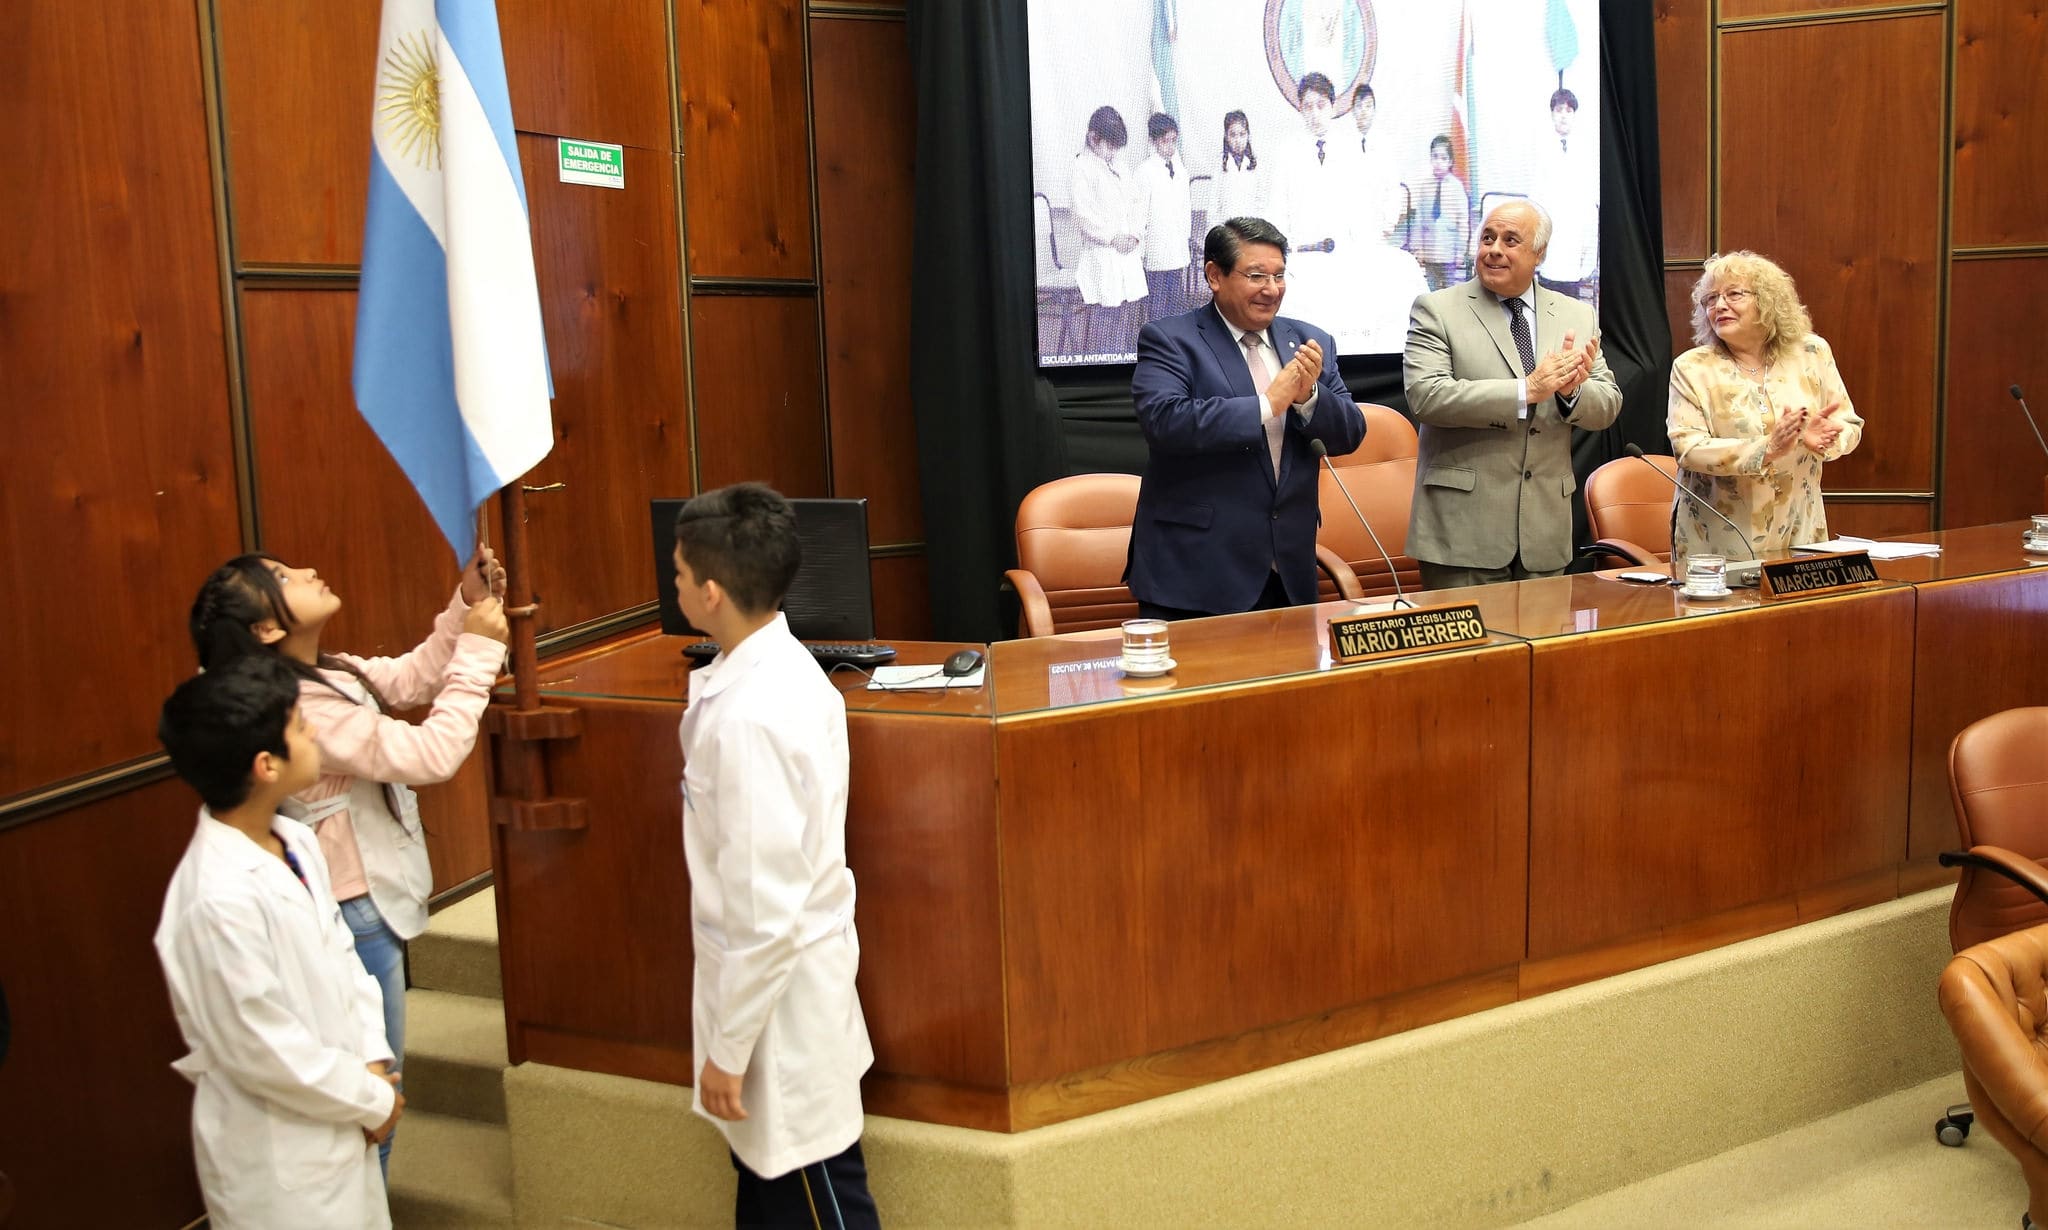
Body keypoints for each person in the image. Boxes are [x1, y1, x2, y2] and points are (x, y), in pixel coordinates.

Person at [187, 550, 508, 1170]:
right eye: (282, 578)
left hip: (357, 897)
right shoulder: (298, 709)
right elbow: (430, 754)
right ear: (266, 629)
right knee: (374, 1102)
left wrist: (465, 606)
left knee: (373, 1089)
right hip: (350, 905)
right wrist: (478, 655)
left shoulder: (318, 673)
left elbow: (411, 677)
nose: (306, 571)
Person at [672, 483, 879, 1228]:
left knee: (821, 1204)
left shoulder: (752, 717)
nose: (675, 587)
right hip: (771, 1001)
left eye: (679, 577)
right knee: (766, 1203)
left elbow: (766, 912)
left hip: (778, 1019)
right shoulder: (771, 673)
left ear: (713, 593)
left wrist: (728, 1049)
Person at [154, 655, 404, 1229]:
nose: (313, 731)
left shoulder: (292, 836)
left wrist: (372, 1062)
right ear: (266, 765)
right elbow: (263, 1048)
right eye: (299, 725)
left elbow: (344, 959)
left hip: (344, 1111)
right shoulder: (214, 897)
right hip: (282, 1154)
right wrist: (372, 1100)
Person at [1126, 216, 1367, 618]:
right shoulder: (1171, 339)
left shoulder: (1309, 341)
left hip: (1288, 573)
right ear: (1214, 276)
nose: (1271, 290)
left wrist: (1308, 396)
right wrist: (1268, 404)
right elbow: (1165, 422)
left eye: (1279, 276)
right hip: (1197, 575)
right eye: (1257, 276)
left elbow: (1350, 432)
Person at [1402, 198, 1620, 588]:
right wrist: (1526, 390)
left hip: (1545, 534)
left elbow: (1607, 404)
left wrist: (1572, 393)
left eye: (1510, 240)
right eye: (1487, 238)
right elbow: (1426, 395)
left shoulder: (1577, 314)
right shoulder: (1436, 309)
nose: (1494, 249)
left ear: (1539, 254)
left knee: (1544, 648)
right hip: (1463, 533)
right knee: (1471, 652)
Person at [1667, 250, 1862, 559]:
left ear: (1769, 300)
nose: (1719, 305)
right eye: (1711, 299)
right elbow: (1687, 448)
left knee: (1801, 609)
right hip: (1719, 540)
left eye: (1734, 294)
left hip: (1799, 529)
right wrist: (1766, 449)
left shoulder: (1812, 352)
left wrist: (1827, 439)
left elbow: (1848, 425)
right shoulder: (1693, 367)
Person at [1070, 104, 1147, 355]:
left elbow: (1137, 201)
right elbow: (1083, 216)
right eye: (1110, 145)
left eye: (1117, 147)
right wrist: (1113, 238)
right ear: (1093, 138)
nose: (1114, 152)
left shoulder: (1118, 163)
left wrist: (1134, 234)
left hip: (1126, 252)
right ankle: (1105, 366)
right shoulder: (1082, 167)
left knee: (1127, 318)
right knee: (1106, 316)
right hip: (1102, 254)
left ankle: (1123, 364)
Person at [1536, 88, 1598, 299]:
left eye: (1569, 110)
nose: (1563, 114)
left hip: (1574, 241)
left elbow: (1589, 205)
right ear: (1552, 113)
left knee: (1571, 310)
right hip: (1550, 241)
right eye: (1559, 109)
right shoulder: (1541, 149)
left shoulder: (1585, 152)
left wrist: (1588, 256)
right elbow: (1535, 201)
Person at [1136, 112, 1193, 323]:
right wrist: (1141, 254)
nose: (1170, 146)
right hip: (1156, 254)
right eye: (1164, 141)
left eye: (1173, 141)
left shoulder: (1181, 170)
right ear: (1153, 141)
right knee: (1157, 307)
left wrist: (1184, 241)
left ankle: (1176, 348)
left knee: (1177, 305)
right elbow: (1140, 216)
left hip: (1176, 251)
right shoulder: (1144, 172)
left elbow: (1185, 210)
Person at [1414, 134, 1470, 290]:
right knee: (1430, 290)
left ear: (1450, 161)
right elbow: (1419, 219)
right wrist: (1419, 247)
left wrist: (1460, 250)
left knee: (1449, 291)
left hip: (1449, 250)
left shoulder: (1457, 187)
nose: (1438, 162)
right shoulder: (1425, 186)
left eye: (1443, 158)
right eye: (1435, 157)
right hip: (1430, 249)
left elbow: (1463, 221)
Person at [1350, 84, 1404, 245]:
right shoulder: (1342, 144)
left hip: (1379, 225)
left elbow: (1394, 187)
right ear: (1353, 110)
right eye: (1359, 106)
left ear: (1374, 109)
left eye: (1368, 106)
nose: (1363, 111)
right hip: (1351, 226)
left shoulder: (1385, 144)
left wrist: (1389, 222)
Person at [1214, 110, 1265, 223]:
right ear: (1226, 136)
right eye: (1233, 135)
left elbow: (1261, 201)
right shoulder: (1220, 164)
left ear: (1248, 135)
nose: (1238, 140)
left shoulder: (1255, 164)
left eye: (1242, 134)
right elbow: (1214, 203)